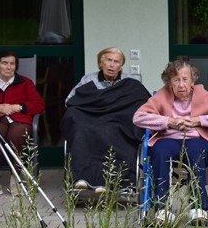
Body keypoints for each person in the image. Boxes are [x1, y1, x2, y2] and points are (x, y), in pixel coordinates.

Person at [133, 59, 208, 224]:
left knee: (195, 151)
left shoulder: (202, 95)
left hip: (197, 139)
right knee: (160, 150)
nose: (181, 84)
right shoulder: (162, 95)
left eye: (185, 79)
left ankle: (198, 207)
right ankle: (162, 208)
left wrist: (198, 121)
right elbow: (138, 117)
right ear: (169, 82)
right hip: (169, 138)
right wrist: (168, 122)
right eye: (176, 80)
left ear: (192, 81)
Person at [62, 47, 150, 193]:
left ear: (121, 66)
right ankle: (82, 179)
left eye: (116, 62)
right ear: (100, 63)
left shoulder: (130, 82)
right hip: (90, 121)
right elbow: (70, 101)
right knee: (80, 128)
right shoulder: (88, 80)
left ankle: (114, 181)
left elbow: (142, 105)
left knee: (112, 131)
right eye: (108, 60)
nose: (111, 65)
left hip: (117, 123)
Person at [0, 51, 45, 197]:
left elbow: (39, 104)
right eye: (4, 63)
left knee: (17, 134)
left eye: (12, 63)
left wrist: (20, 107)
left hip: (20, 120)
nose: (9, 67)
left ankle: (15, 180)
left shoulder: (25, 82)